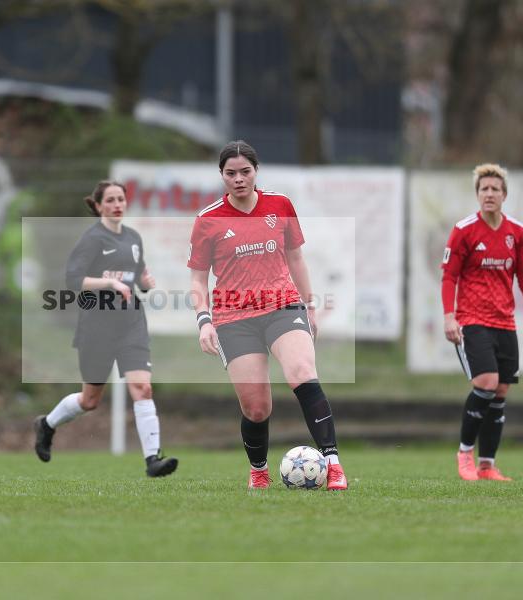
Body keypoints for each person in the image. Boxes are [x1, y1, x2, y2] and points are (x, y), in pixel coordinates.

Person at [188, 140, 347, 491]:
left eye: (245, 172)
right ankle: (259, 470)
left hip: (283, 305)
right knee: (257, 408)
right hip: (234, 318)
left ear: (256, 172)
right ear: (221, 175)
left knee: (303, 372)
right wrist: (204, 321)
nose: (239, 179)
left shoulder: (280, 205)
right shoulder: (207, 220)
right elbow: (198, 278)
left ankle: (333, 465)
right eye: (231, 173)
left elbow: (296, 258)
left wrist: (309, 305)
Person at [33, 181, 178, 478]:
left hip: (131, 324)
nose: (117, 204)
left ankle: (153, 459)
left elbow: (136, 279)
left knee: (143, 388)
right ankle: (46, 424)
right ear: (98, 206)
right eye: (110, 200)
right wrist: (108, 283)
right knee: (90, 400)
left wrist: (145, 285)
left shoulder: (134, 238)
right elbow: (74, 279)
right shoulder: (92, 239)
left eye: (121, 199)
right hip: (97, 328)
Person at [442, 163, 523, 482]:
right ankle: (464, 455)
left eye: (495, 189)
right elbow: (450, 276)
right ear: (477, 194)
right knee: (486, 383)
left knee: (500, 392)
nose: (489, 194)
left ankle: (487, 466)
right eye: (484, 189)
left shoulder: (517, 232)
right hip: (472, 321)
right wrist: (449, 316)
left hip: (505, 323)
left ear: (504, 195)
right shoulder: (464, 230)